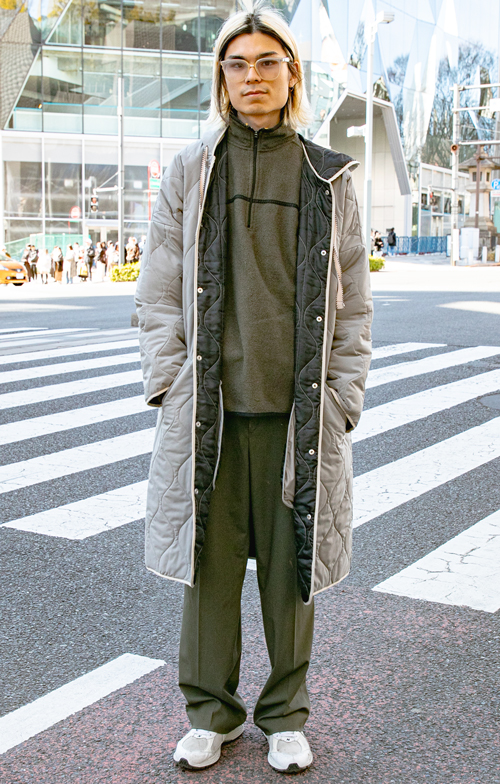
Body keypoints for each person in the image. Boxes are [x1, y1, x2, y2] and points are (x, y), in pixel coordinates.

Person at [135, 2, 372, 775]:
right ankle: (211, 714)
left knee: (291, 577)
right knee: (206, 575)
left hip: (296, 415)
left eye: (268, 62)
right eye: (236, 64)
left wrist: (340, 399)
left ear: (292, 74)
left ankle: (285, 716)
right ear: (222, 79)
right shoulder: (191, 170)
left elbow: (353, 304)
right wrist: (169, 382)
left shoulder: (327, 175)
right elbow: (158, 290)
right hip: (211, 412)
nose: (252, 77)